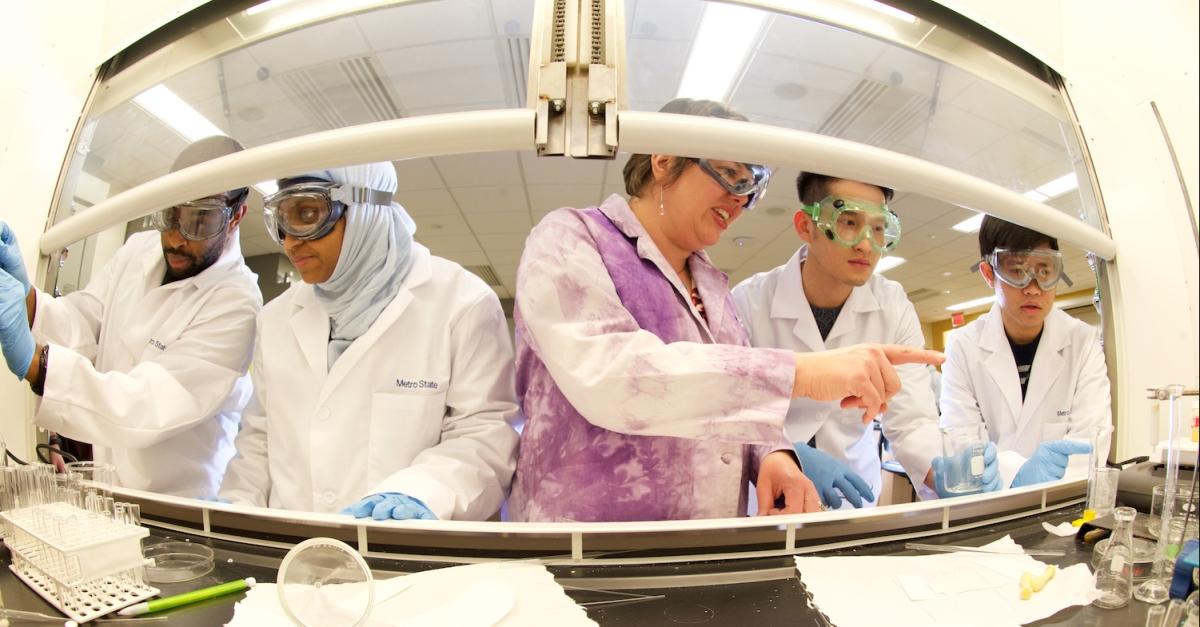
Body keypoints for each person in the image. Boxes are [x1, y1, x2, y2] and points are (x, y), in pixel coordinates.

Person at [507, 98, 943, 522]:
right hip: (589, 543)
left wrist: (773, 456)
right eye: (730, 175)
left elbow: (723, 407)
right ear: (664, 159)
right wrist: (803, 373)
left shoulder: (712, 285)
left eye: (750, 186)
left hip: (711, 541)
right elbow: (612, 376)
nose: (740, 199)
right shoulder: (571, 237)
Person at [219, 163, 518, 521]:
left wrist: (423, 493)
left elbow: (484, 434)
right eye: (282, 219)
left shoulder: (462, 301)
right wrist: (238, 506)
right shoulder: (276, 317)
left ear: (365, 209)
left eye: (308, 214)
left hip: (404, 550)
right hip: (293, 545)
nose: (291, 240)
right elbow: (260, 436)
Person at [0, 135, 261, 498]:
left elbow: (148, 405)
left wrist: (36, 365)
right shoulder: (140, 248)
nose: (176, 239)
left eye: (199, 222)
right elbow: (84, 318)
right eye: (170, 215)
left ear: (236, 217)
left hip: (175, 506)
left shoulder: (238, 303)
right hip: (107, 485)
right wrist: (25, 299)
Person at [732, 173, 942, 508]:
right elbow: (730, 411)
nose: (865, 244)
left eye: (877, 227)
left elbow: (911, 419)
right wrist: (787, 451)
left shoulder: (893, 305)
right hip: (770, 495)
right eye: (848, 222)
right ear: (805, 226)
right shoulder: (748, 302)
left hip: (853, 494)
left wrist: (940, 469)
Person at [937, 215, 1105, 492]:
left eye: (1045, 270)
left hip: (1062, 504)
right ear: (989, 274)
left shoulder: (1083, 341)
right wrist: (1016, 474)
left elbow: (1091, 442)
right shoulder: (962, 346)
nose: (1033, 287)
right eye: (1017, 270)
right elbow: (962, 444)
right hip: (989, 505)